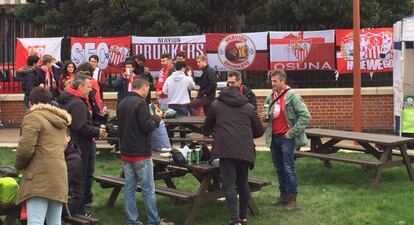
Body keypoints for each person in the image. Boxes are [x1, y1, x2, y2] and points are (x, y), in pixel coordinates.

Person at [203, 86, 264, 225]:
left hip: (226, 149)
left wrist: (212, 132)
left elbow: (207, 126)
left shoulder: (216, 106)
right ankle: (243, 217)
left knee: (229, 183)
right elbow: (259, 131)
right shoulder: (249, 107)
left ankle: (234, 219)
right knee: (243, 183)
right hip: (245, 150)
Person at [117, 77, 174, 225]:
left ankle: (132, 220)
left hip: (126, 150)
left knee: (129, 188)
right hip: (140, 152)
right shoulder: (140, 103)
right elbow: (147, 126)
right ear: (144, 87)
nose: (148, 91)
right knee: (148, 189)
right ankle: (153, 220)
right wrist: (156, 117)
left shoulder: (122, 102)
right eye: (148, 89)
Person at [15, 87, 72, 225]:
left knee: (35, 221)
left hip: (39, 176)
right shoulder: (59, 120)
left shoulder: (33, 117)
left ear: (30, 103)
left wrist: (18, 166)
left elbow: (26, 149)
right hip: (58, 175)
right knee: (54, 222)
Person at [263, 69, 311, 211]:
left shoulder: (292, 96)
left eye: (275, 81)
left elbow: (305, 116)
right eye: (271, 81)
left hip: (286, 138)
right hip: (274, 137)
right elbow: (267, 117)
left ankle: (292, 198)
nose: (272, 84)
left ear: (283, 81)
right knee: (279, 168)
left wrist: (292, 132)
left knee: (289, 168)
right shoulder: (270, 97)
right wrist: (266, 117)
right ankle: (283, 195)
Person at [58, 73, 106, 211]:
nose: (91, 89)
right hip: (81, 145)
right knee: (82, 175)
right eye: (88, 87)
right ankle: (80, 207)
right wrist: (97, 131)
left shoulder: (72, 100)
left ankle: (80, 204)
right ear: (79, 87)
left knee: (80, 175)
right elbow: (80, 126)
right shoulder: (78, 103)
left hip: (76, 143)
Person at [63, 128, 84, 216]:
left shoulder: (74, 158)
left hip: (71, 200)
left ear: (68, 138)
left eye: (61, 137)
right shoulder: (63, 152)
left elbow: (63, 181)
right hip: (61, 197)